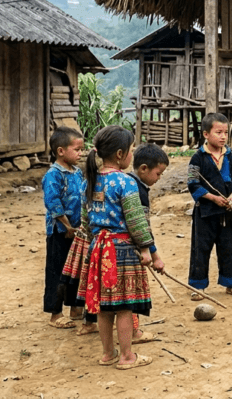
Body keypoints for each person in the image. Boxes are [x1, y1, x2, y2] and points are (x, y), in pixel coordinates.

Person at [79, 125, 155, 369]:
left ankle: (107, 354)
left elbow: (84, 221)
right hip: (121, 250)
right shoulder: (125, 182)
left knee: (103, 306)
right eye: (132, 149)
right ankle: (127, 357)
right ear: (121, 154)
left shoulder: (89, 181)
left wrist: (91, 247)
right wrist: (146, 248)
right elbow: (136, 220)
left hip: (98, 249)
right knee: (123, 306)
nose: (133, 154)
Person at [187, 113, 232, 299]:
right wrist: (212, 198)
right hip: (205, 212)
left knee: (228, 248)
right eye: (218, 132)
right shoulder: (198, 157)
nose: (223, 137)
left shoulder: (230, 157)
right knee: (201, 248)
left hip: (226, 212)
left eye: (226, 133)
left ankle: (231, 283)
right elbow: (192, 184)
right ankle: (198, 286)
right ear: (206, 134)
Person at [42, 127, 86, 329]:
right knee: (57, 271)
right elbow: (53, 203)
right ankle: (55, 312)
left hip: (76, 231)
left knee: (76, 270)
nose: (80, 153)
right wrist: (67, 226)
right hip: (60, 232)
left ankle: (75, 307)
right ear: (61, 151)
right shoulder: (53, 175)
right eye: (77, 149)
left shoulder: (77, 173)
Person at [125, 143, 169, 344]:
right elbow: (142, 227)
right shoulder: (138, 191)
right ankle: (133, 332)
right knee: (130, 292)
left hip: (115, 246)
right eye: (158, 174)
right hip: (132, 248)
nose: (159, 178)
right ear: (143, 169)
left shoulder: (124, 182)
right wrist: (153, 255)